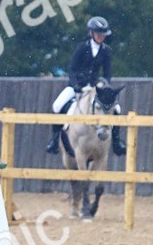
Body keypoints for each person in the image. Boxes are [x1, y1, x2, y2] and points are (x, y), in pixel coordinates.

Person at [45, 16, 126, 156]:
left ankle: (116, 142)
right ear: (91, 33)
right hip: (77, 86)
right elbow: (72, 69)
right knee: (57, 105)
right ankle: (54, 140)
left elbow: (107, 73)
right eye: (99, 34)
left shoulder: (106, 50)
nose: (101, 37)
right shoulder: (82, 48)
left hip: (95, 87)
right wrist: (76, 85)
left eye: (103, 34)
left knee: (117, 108)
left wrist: (104, 85)